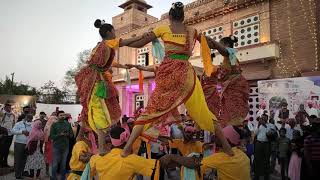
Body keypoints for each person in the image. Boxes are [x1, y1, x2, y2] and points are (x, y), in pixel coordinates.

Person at [121, 1, 232, 157]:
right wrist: (225, 50)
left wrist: (121, 42)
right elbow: (211, 43)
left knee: (149, 112)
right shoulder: (192, 30)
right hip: (187, 76)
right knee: (205, 112)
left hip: (168, 75)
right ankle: (228, 149)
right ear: (183, 17)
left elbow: (140, 42)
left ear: (170, 17)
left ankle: (126, 149)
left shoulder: (163, 29)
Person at [75, 19, 144, 154]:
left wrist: (124, 66)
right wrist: (142, 36)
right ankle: (101, 149)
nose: (115, 34)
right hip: (96, 83)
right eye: (114, 31)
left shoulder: (100, 47)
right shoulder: (107, 43)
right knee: (99, 112)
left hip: (93, 82)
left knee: (99, 110)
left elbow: (112, 63)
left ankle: (102, 146)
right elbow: (126, 42)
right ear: (109, 32)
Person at [160, 125, 250, 180]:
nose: (216, 137)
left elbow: (194, 163)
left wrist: (172, 157)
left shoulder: (222, 157)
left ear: (226, 140)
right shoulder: (242, 155)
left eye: (219, 136)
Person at [89, 126, 160, 179]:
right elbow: (157, 166)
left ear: (110, 141)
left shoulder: (96, 158)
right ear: (126, 138)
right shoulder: (131, 160)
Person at [49, 111, 74, 180]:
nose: (62, 116)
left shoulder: (68, 124)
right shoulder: (54, 125)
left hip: (66, 146)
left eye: (63, 115)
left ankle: (63, 178)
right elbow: (51, 136)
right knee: (55, 164)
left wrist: (67, 135)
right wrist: (60, 135)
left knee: (63, 163)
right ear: (57, 116)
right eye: (60, 115)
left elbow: (71, 135)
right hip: (56, 146)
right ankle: (53, 178)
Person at [11, 108, 33, 179]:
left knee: (24, 160)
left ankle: (21, 173)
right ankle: (17, 175)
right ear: (25, 117)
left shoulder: (32, 125)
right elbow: (13, 131)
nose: (30, 119)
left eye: (31, 118)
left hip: (27, 144)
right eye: (29, 118)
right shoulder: (19, 124)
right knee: (18, 159)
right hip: (19, 143)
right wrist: (22, 132)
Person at [253, 114, 274, 180]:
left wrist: (265, 125)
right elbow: (255, 133)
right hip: (258, 143)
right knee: (257, 159)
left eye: (264, 118)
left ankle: (266, 176)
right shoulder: (258, 125)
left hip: (266, 144)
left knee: (266, 159)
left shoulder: (270, 125)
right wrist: (259, 125)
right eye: (262, 118)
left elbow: (270, 133)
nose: (262, 119)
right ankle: (256, 176)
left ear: (267, 119)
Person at [0, 103, 15, 168]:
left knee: (7, 149)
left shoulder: (12, 115)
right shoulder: (2, 114)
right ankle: (0, 163)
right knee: (2, 149)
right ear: (5, 107)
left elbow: (13, 123)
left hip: (10, 134)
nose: (9, 109)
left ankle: (5, 162)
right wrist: (3, 130)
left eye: (10, 107)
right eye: (8, 107)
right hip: (3, 134)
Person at [43, 112, 57, 176]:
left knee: (50, 157)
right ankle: (48, 171)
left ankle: (48, 171)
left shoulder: (47, 125)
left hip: (50, 142)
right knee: (49, 157)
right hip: (50, 142)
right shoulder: (49, 125)